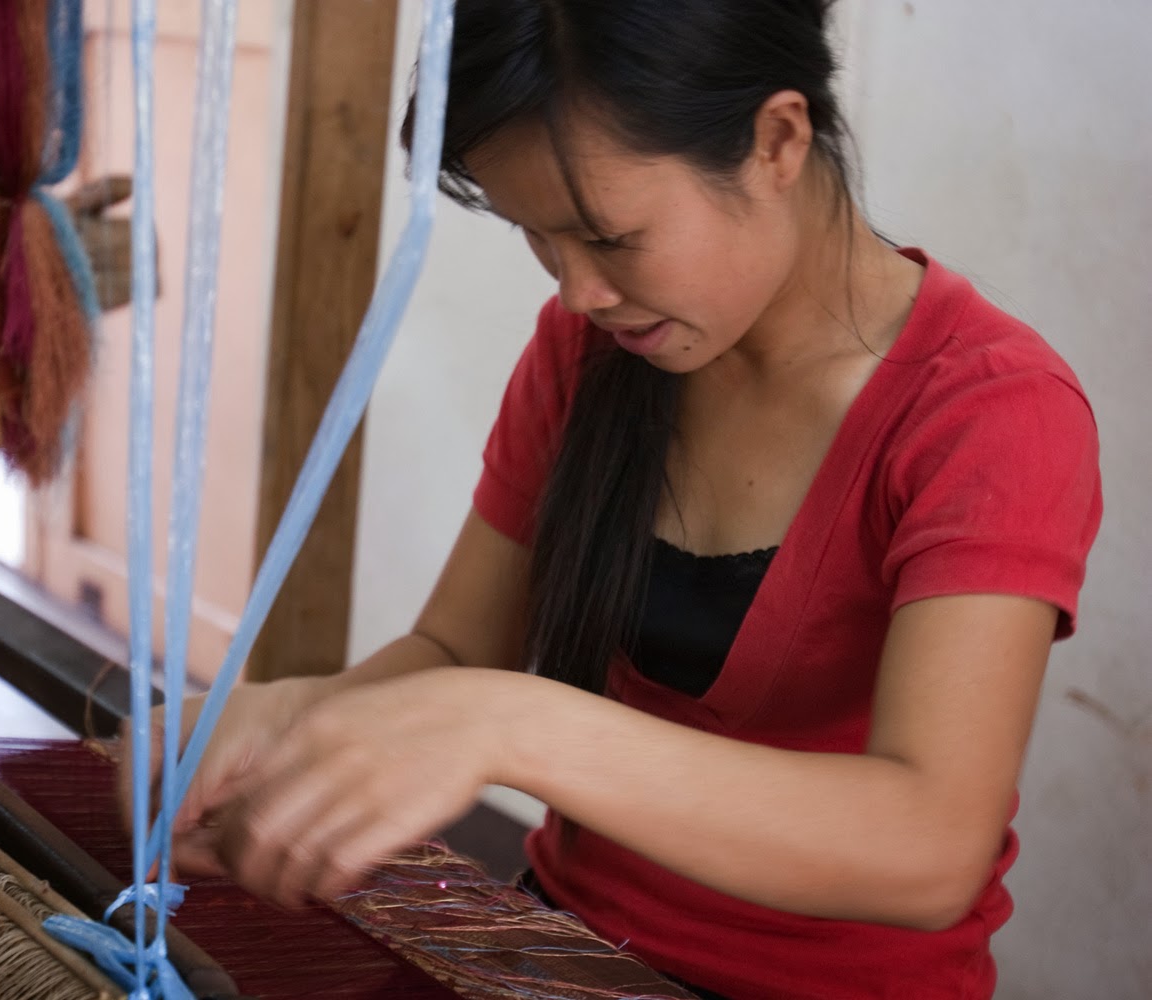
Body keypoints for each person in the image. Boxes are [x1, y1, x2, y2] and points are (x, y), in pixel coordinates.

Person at [121, 2, 1102, 997]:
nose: (576, 290)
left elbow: (930, 845)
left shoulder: (987, 411)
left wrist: (510, 725)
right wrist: (278, 720)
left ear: (777, 141)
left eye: (612, 237)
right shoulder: (590, 351)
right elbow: (457, 654)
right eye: (537, 237)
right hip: (566, 956)